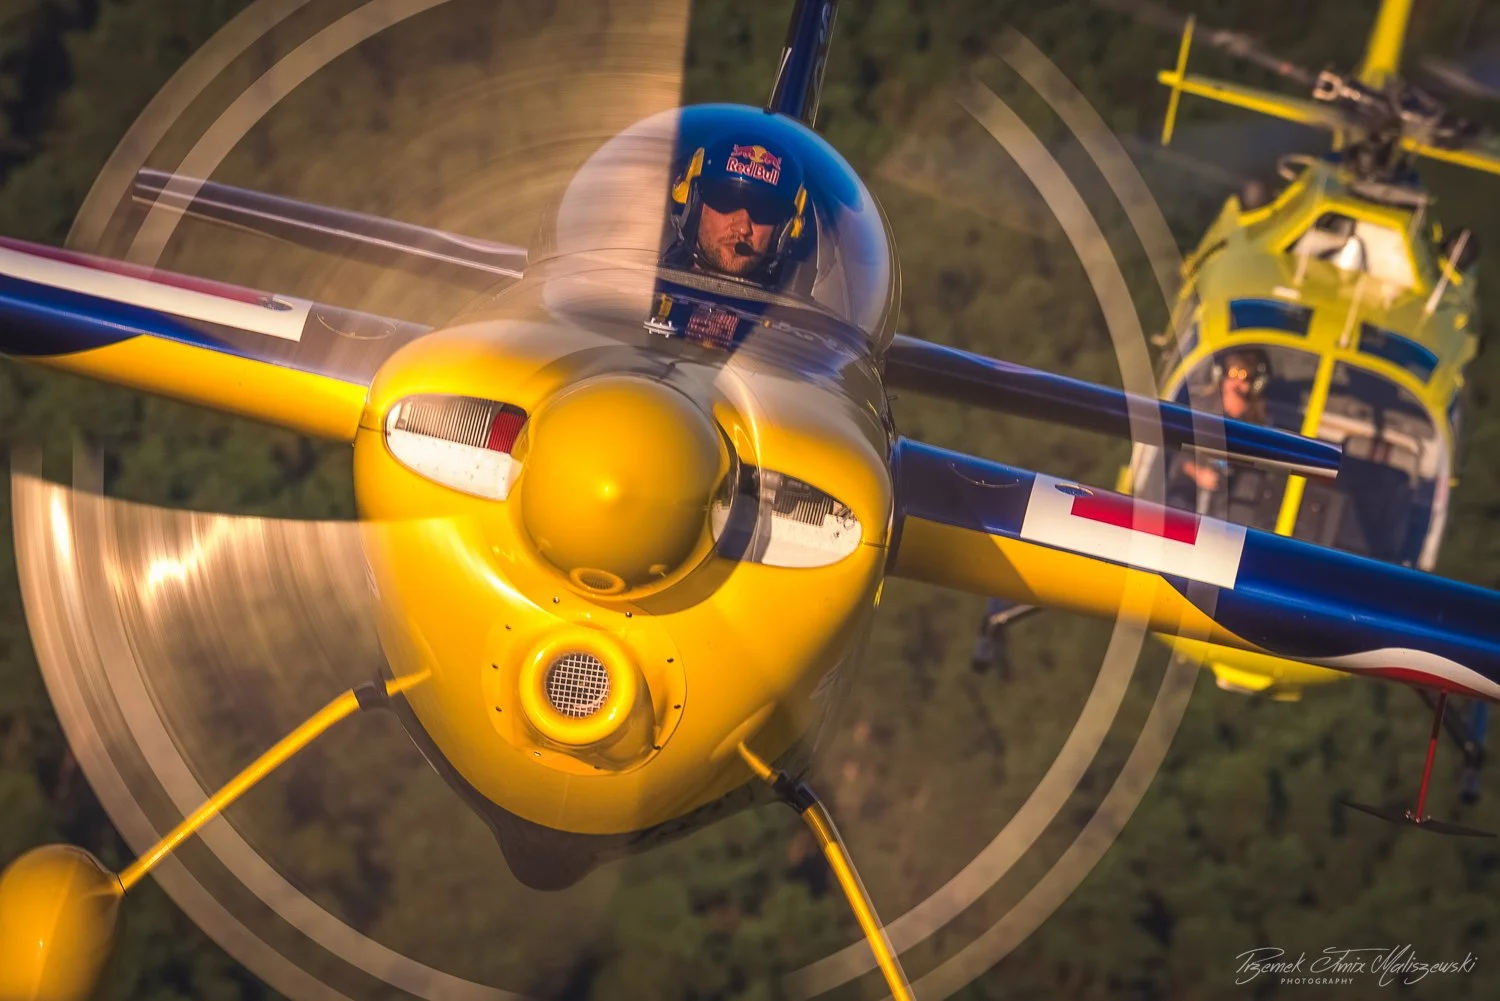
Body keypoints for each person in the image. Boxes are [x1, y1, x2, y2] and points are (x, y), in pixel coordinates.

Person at [663, 135, 809, 289]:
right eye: (726, 200)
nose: (743, 228)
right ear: (693, 203)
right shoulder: (643, 291)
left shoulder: (797, 312)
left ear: (785, 230)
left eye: (764, 209)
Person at [1167, 347, 1284, 525]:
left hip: (1229, 505)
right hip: (1186, 491)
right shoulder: (1198, 405)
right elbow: (1172, 451)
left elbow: (1266, 460)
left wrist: (1240, 420)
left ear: (1255, 385)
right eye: (1233, 374)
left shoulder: (1260, 421)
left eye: (1246, 378)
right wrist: (1197, 472)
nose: (1237, 384)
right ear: (1221, 375)